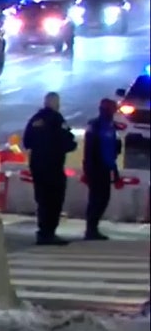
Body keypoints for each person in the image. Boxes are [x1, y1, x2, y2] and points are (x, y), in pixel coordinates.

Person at [22, 92, 77, 245]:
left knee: (42, 199)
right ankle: (49, 232)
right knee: (54, 200)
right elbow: (68, 141)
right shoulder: (57, 119)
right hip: (53, 166)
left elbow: (27, 141)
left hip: (37, 165)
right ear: (55, 103)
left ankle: (43, 232)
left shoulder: (35, 119)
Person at [82, 98, 123, 240]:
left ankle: (93, 227)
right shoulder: (95, 125)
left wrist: (115, 174)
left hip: (107, 167)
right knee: (96, 199)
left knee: (103, 199)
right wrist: (87, 169)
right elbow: (89, 149)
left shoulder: (112, 127)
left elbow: (114, 151)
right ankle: (90, 229)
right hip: (96, 167)